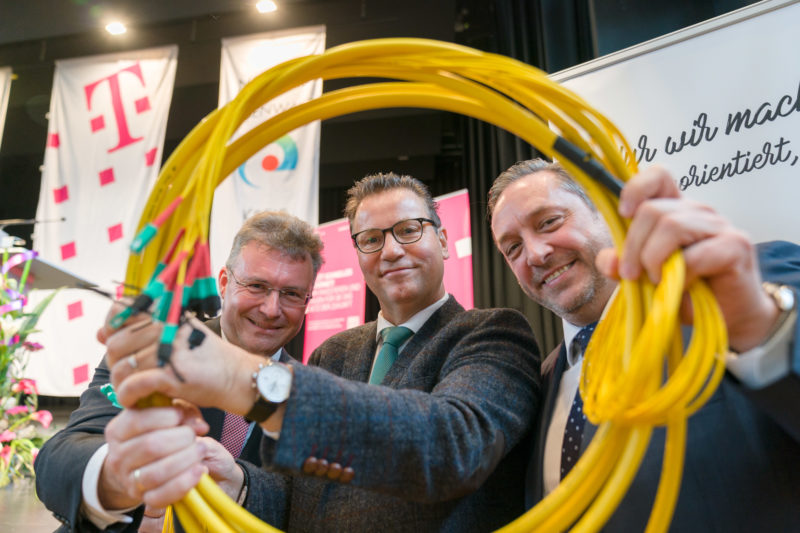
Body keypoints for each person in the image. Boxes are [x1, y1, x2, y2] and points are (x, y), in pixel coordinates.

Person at [99, 172, 541, 532]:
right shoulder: (335, 353)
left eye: (408, 230)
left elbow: (451, 446)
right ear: (359, 256)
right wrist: (238, 482)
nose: (390, 250)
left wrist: (242, 379)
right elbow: (302, 500)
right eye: (370, 238)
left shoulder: (491, 334)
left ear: (443, 240)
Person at [488, 158, 800, 531]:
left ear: (605, 212)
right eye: (513, 248)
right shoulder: (538, 385)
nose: (536, 254)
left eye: (550, 222)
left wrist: (756, 324)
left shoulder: (738, 289)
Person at [35, 210, 323, 533]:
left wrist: (243, 487)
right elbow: (60, 459)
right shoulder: (161, 348)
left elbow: (310, 509)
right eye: (257, 286)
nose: (272, 309)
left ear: (307, 300)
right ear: (224, 283)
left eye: (292, 294)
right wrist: (121, 482)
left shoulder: (310, 395)